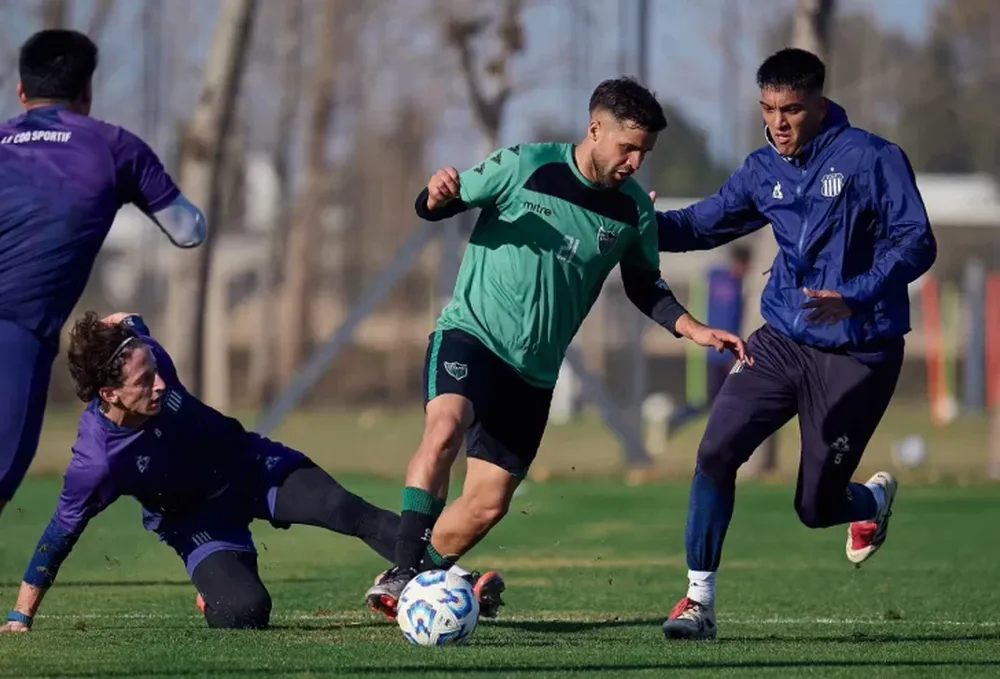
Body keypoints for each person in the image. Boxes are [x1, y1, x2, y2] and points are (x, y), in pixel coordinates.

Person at [364, 77, 752, 621]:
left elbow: (646, 286)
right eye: (629, 147)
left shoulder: (633, 210)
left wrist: (694, 328)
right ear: (596, 129)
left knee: (488, 504)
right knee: (445, 425)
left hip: (535, 374)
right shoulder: (524, 166)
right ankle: (408, 569)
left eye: (645, 151)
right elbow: (439, 205)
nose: (636, 161)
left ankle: (417, 581)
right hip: (472, 336)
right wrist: (436, 192)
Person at [655, 48, 937, 640]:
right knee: (714, 453)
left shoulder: (872, 158)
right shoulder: (763, 169)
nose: (778, 122)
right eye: (768, 109)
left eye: (791, 109)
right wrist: (639, 224)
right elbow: (703, 224)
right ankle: (697, 603)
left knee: (814, 507)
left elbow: (918, 243)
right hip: (781, 340)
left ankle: (870, 504)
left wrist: (853, 295)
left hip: (860, 353)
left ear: (820, 101)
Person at [0, 312, 491, 633]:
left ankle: (455, 583)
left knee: (345, 508)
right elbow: (59, 534)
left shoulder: (145, 357)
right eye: (144, 380)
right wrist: (21, 616)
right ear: (109, 395)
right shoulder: (97, 461)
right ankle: (213, 593)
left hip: (251, 466)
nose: (161, 382)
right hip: (197, 522)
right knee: (245, 613)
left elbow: (131, 323)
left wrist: (121, 323)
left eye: (154, 367)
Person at [0, 29, 206, 514]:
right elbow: (188, 230)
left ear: (21, 92)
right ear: (86, 93)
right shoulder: (116, 148)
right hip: (17, 331)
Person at [666, 245, 752, 436]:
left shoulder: (728, 281)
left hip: (721, 352)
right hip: (713, 352)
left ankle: (682, 419)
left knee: (719, 398)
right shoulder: (719, 278)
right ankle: (678, 418)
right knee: (712, 399)